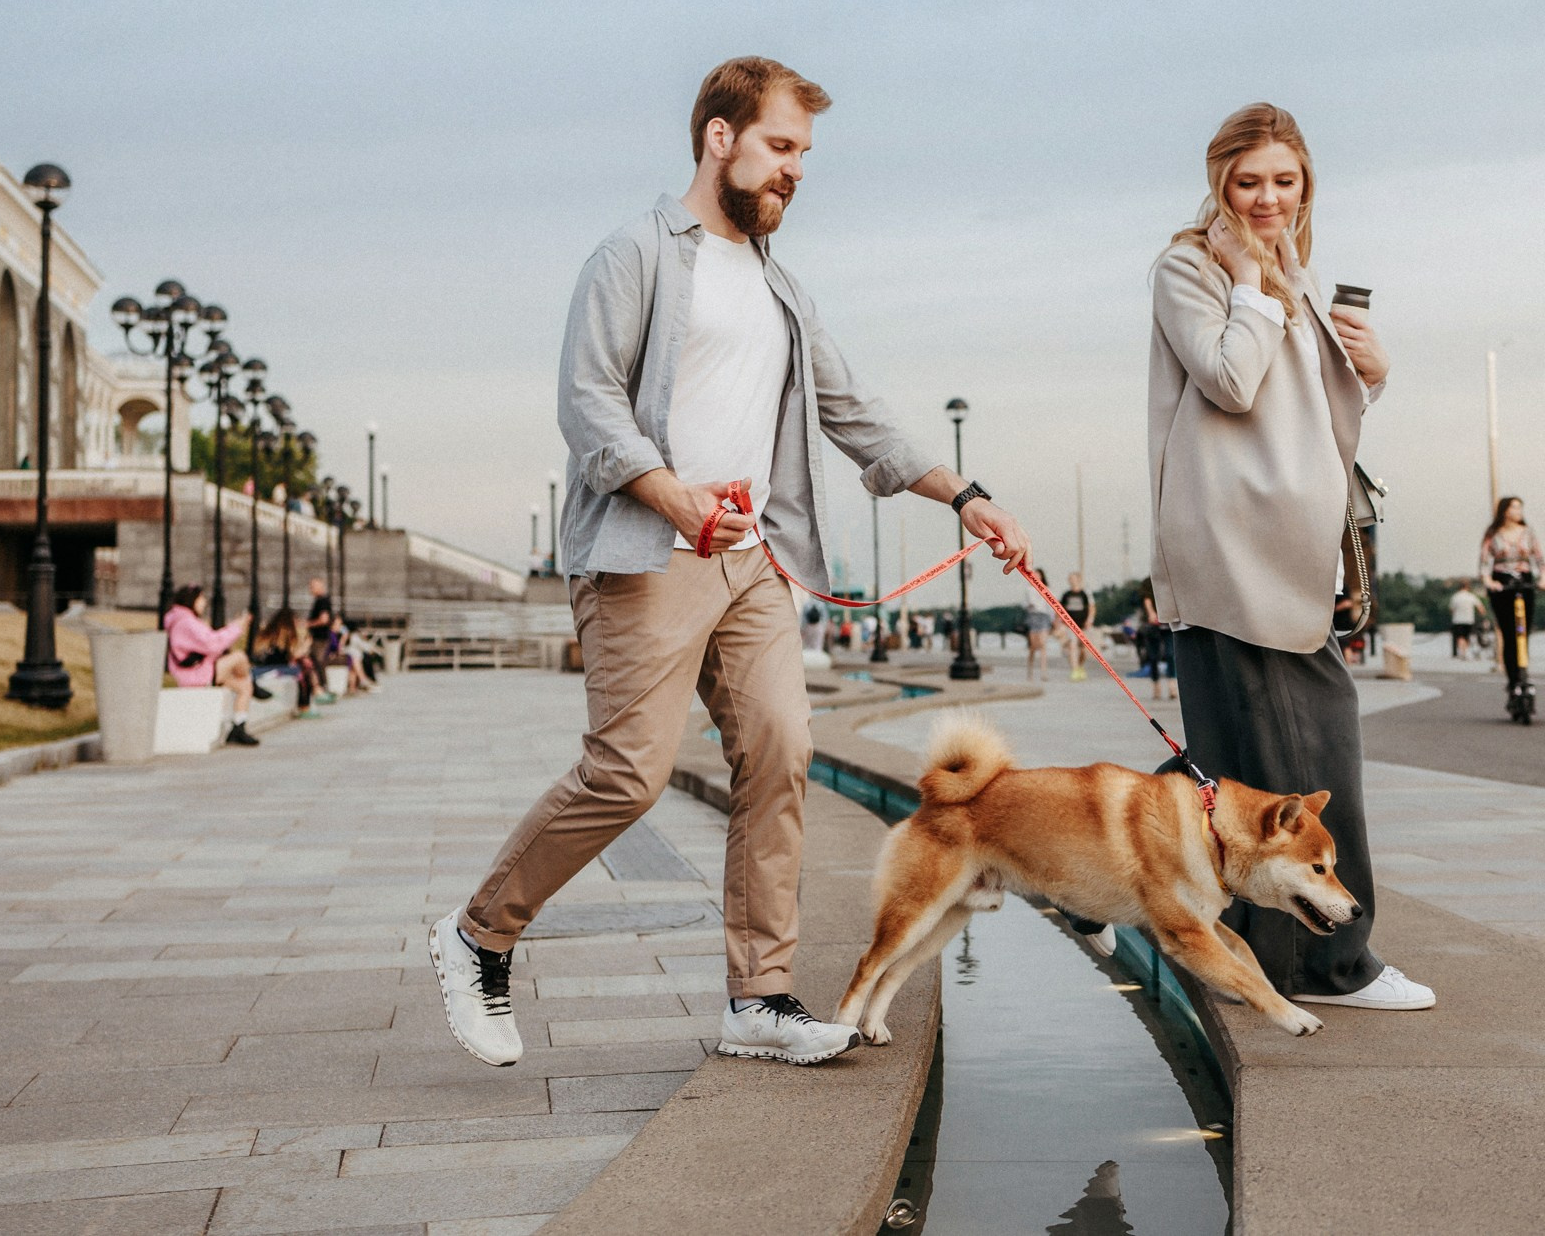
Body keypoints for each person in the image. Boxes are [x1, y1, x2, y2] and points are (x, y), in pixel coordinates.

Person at [431, 56, 1032, 1070]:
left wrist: (963, 495)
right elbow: (589, 406)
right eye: (781, 147)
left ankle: (759, 996)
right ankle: (478, 932)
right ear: (720, 138)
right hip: (645, 553)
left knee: (780, 750)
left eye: (804, 154)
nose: (796, 171)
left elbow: (855, 413)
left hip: (750, 564)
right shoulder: (634, 256)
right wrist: (674, 497)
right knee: (626, 773)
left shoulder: (778, 286)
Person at [1148, 102, 1433, 1013]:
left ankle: (1131, 899)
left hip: (1284, 544)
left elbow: (1311, 421)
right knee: (1315, 748)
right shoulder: (1192, 266)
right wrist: (1249, 286)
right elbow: (1231, 383)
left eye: (1285, 180)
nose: (1268, 198)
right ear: (1219, 182)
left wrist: (1372, 373)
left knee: (1238, 767)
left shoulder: (1290, 273)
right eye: (1248, 181)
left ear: (1307, 183)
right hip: (1235, 543)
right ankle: (1333, 964)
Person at [163, 584, 262, 746]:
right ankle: (250, 677)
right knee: (239, 657)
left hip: (199, 670)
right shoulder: (186, 622)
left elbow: (210, 647)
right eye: (201, 599)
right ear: (191, 600)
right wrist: (236, 627)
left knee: (244, 687)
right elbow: (212, 644)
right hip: (194, 675)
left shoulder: (183, 620)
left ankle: (238, 727)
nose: (204, 603)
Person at [1479, 496, 1545, 697]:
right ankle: (1513, 680)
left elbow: (1539, 557)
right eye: (1515, 507)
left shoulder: (1528, 532)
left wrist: (1544, 577)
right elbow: (1485, 560)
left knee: (1523, 632)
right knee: (1509, 633)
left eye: (1520, 507)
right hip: (1502, 582)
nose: (1519, 511)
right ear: (1505, 511)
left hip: (1524, 580)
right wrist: (1488, 581)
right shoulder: (1493, 533)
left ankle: (1523, 674)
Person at [253, 607, 323, 716]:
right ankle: (305, 705)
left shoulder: (268, 632)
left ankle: (316, 691)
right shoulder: (285, 634)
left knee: (304, 665)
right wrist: (307, 644)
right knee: (303, 671)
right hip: (275, 669)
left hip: (260, 668)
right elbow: (293, 655)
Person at [1139, 586, 1177, 702]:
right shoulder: (1148, 581)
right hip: (1153, 625)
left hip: (1169, 624)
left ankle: (1172, 686)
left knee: (1170, 654)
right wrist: (1151, 613)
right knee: (1153, 656)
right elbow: (1147, 599)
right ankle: (1156, 686)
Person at [1058, 572, 1095, 681]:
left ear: (1078, 580)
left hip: (1083, 625)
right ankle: (1074, 670)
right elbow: (1060, 609)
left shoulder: (1085, 594)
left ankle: (1079, 666)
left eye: (1073, 579)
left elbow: (1092, 608)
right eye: (1070, 579)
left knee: (1084, 649)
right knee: (1073, 646)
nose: (1071, 581)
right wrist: (1060, 622)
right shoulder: (1066, 595)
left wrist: (1090, 620)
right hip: (1070, 625)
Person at [1023, 567, 1055, 683]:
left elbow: (1050, 605)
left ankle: (1043, 672)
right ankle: (1030, 671)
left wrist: (1052, 620)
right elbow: (1025, 604)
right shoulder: (1028, 589)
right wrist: (1029, 606)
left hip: (1043, 616)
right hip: (1032, 616)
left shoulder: (1046, 589)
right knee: (1033, 647)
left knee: (1043, 645)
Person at [1447, 579, 1484, 659]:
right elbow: (1481, 609)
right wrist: (1481, 617)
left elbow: (1451, 610)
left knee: (1460, 637)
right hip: (1469, 620)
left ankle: (1462, 652)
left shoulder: (1455, 596)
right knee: (1467, 637)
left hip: (1458, 620)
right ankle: (1465, 651)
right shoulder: (1471, 596)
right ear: (1468, 587)